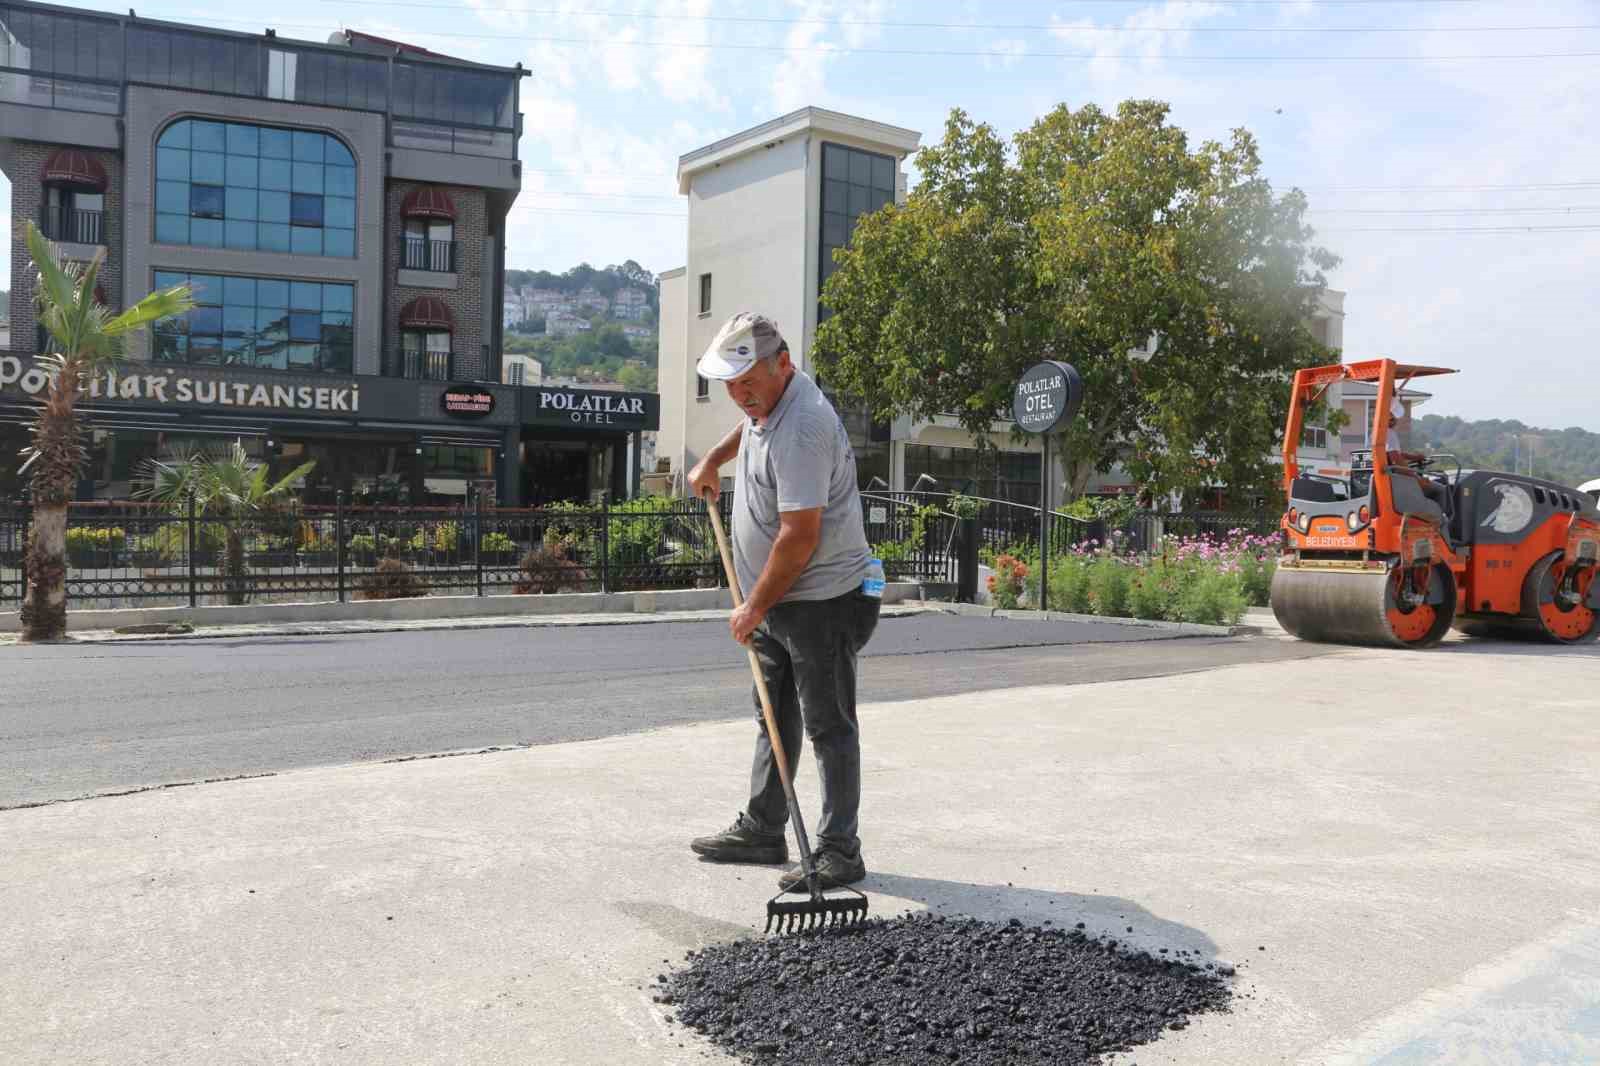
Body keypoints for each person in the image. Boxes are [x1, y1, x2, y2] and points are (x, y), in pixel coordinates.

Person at [686, 312, 881, 893]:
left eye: (750, 383)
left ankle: (840, 850)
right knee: (773, 713)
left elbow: (799, 538)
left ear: (784, 365)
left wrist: (751, 607)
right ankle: (765, 829)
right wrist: (712, 461)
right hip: (776, 600)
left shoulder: (804, 429)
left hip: (822, 600)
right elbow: (750, 427)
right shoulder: (768, 406)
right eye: (732, 386)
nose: (740, 396)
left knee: (827, 723)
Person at [1384, 397, 1450, 512]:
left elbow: (1395, 454)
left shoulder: (1377, 435)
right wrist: (1416, 478)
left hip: (1391, 478)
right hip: (1397, 481)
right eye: (1395, 418)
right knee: (1441, 490)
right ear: (1391, 419)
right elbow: (1396, 460)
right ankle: (1440, 523)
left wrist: (1415, 457)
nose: (1397, 421)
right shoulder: (1389, 434)